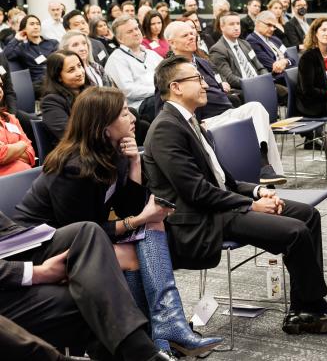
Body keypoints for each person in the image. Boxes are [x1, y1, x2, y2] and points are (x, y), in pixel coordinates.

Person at [145, 55, 327, 334]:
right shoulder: (166, 128)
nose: (204, 85)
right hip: (201, 219)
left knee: (308, 215)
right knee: (295, 232)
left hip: (219, 206)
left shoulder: (189, 121)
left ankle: (303, 307)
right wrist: (251, 205)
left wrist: (260, 190)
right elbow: (196, 192)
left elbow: (224, 180)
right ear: (175, 87)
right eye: (197, 79)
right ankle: (312, 307)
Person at [15, 87, 222, 356]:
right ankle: (150, 336)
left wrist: (134, 165)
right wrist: (138, 220)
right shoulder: (72, 167)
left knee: (153, 225)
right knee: (129, 252)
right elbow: (82, 232)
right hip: (43, 243)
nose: (133, 117)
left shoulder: (113, 152)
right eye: (124, 113)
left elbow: (128, 208)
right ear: (103, 127)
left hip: (84, 232)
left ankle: (167, 328)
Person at [0, 213, 175, 361]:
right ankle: (142, 349)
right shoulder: (71, 174)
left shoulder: (115, 173)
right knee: (89, 290)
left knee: (87, 232)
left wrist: (133, 173)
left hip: (7, 252)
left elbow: (6, 229)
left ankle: (145, 344)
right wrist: (37, 273)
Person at [164, 21, 286, 182]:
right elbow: (167, 104)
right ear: (172, 42)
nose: (192, 36)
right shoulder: (170, 70)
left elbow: (218, 86)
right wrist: (193, 123)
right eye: (185, 35)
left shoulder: (202, 62)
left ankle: (263, 162)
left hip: (226, 111)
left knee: (256, 108)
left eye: (192, 33)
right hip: (204, 120)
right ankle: (262, 170)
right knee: (245, 120)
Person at [104, 15, 162, 119]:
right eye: (130, 31)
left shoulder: (151, 54)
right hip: (137, 106)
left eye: (136, 28)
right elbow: (128, 90)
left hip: (158, 96)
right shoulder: (117, 58)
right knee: (163, 102)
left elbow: (168, 72)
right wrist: (158, 90)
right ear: (119, 39)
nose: (136, 33)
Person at [209, 12, 273, 92]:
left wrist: (266, 79)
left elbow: (260, 67)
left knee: (285, 92)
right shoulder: (218, 50)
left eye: (238, 23)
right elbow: (229, 78)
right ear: (222, 27)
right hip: (243, 88)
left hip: (259, 82)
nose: (236, 27)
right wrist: (253, 83)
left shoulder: (245, 43)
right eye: (232, 24)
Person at [296, 17, 327, 120]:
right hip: (316, 104)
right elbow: (308, 90)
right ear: (316, 33)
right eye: (323, 30)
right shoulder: (308, 57)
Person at [4, 14, 59, 90]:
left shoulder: (53, 43)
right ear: (24, 29)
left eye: (38, 24)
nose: (36, 27)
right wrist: (16, 39)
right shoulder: (22, 48)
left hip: (57, 78)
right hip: (39, 84)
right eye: (32, 24)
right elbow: (6, 55)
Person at [246, 10, 295, 88]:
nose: (272, 29)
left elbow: (292, 60)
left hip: (288, 73)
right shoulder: (252, 40)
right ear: (257, 23)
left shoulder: (275, 39)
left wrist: (285, 61)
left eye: (274, 26)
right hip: (275, 79)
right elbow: (271, 66)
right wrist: (286, 63)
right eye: (269, 25)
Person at [0, 75, 35, 175]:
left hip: (26, 177)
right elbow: (1, 154)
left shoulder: (11, 118)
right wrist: (23, 144)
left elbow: (31, 154)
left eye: (0, 85)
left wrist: (9, 151)